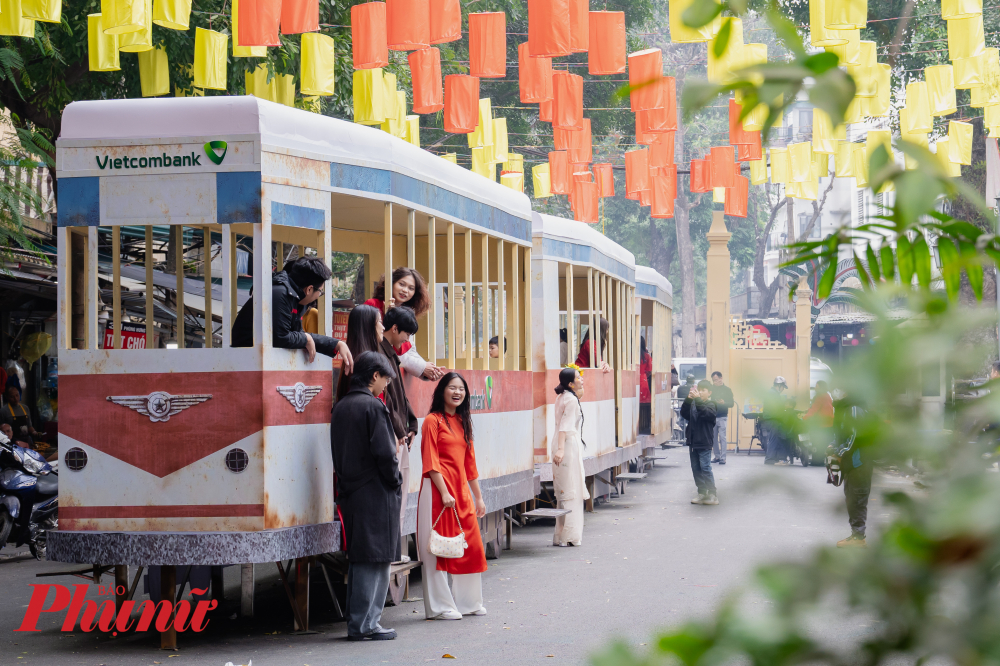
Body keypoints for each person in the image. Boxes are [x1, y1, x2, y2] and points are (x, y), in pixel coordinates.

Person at [329, 351, 401, 640]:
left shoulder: (342, 406)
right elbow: (386, 454)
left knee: (361, 558)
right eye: (385, 379)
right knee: (376, 559)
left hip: (351, 491)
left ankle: (359, 622)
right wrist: (395, 481)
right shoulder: (373, 407)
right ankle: (366, 624)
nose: (385, 385)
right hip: (375, 491)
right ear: (374, 376)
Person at [416, 373, 488, 620]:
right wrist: (444, 492)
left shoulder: (463, 422)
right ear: (441, 391)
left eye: (461, 389)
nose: (457, 392)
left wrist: (478, 497)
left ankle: (469, 603)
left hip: (460, 492)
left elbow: (470, 464)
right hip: (437, 492)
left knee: (471, 546)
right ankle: (440, 607)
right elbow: (430, 461)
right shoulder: (432, 421)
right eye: (452, 388)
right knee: (437, 549)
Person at [231, 256, 354, 372]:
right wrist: (306, 338)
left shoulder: (295, 298)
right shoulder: (280, 294)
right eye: (320, 292)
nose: (318, 296)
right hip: (245, 363)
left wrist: (336, 344)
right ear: (309, 289)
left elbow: (297, 335)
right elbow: (281, 337)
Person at [380, 306, 420, 563]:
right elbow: (388, 401)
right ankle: (392, 553)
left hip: (399, 432)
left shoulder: (389, 354)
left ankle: (394, 552)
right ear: (394, 329)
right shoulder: (381, 355)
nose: (407, 341)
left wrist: (411, 424)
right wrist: (400, 430)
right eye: (406, 335)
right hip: (393, 436)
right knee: (397, 496)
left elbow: (399, 399)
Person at [364, 266, 442, 381]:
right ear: (391, 283)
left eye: (411, 288)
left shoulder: (407, 315)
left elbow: (408, 349)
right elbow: (398, 350)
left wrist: (429, 368)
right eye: (401, 284)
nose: (405, 290)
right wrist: (423, 367)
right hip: (371, 367)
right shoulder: (372, 305)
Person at [552, 367, 589, 546]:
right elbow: (565, 427)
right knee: (572, 490)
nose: (581, 378)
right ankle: (570, 536)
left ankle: (560, 535)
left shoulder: (562, 396)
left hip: (561, 443)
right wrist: (561, 449)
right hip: (567, 445)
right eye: (578, 377)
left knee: (563, 491)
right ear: (570, 383)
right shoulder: (571, 400)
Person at [831, 389, 871, 547]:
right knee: (852, 497)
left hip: (859, 463)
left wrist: (839, 453)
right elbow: (842, 433)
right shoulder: (846, 408)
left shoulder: (854, 408)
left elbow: (854, 435)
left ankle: (859, 537)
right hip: (853, 463)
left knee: (857, 498)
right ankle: (856, 535)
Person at [335, 305, 384, 400]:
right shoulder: (368, 364)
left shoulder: (354, 359)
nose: (383, 327)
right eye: (380, 322)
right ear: (368, 326)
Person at [681, 379, 718, 505]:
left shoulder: (711, 404)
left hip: (705, 441)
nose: (700, 392)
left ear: (709, 392)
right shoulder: (694, 404)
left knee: (705, 468)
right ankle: (702, 492)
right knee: (696, 468)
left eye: (703, 390)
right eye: (699, 390)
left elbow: (706, 414)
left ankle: (713, 494)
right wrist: (688, 399)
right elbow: (684, 413)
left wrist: (697, 400)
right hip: (693, 442)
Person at [763, 376, 792, 466]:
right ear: (779, 385)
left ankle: (774, 458)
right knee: (773, 439)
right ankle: (769, 459)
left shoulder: (772, 393)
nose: (783, 389)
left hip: (771, 419)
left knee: (774, 439)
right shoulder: (773, 394)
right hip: (773, 419)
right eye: (783, 387)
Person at [802, 380, 835, 453]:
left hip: (821, 424)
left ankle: (817, 460)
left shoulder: (819, 397)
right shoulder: (827, 395)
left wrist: (804, 418)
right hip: (829, 424)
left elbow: (814, 409)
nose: (815, 388)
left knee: (817, 443)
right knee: (825, 443)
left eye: (817, 386)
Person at [710, 372, 734, 464]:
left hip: (723, 415)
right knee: (713, 437)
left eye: (716, 380)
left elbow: (731, 403)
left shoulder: (727, 390)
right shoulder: (712, 389)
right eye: (713, 380)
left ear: (721, 378)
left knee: (722, 437)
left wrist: (724, 402)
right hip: (713, 415)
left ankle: (723, 457)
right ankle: (717, 456)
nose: (714, 382)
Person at [638, 338, 652, 435]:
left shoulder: (630, 355)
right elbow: (649, 370)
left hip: (632, 379)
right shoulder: (646, 356)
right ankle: (643, 426)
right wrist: (643, 375)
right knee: (644, 404)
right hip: (643, 380)